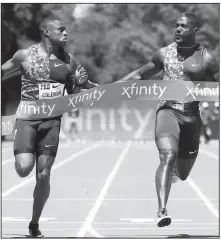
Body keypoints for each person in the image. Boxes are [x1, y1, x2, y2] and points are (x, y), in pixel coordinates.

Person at [120, 13, 219, 227]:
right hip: (167, 111)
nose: (178, 29)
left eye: (183, 26)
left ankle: (175, 170)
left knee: (183, 174)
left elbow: (216, 85)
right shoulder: (164, 54)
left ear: (195, 30)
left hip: (191, 117)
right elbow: (139, 75)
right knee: (167, 155)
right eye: (177, 25)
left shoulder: (207, 59)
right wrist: (105, 90)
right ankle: (161, 210)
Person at [1, 17, 93, 237]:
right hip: (27, 119)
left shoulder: (69, 61)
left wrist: (78, 84)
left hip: (51, 122)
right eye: (60, 30)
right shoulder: (24, 55)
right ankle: (25, 154)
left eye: (65, 31)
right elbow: (3, 71)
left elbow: (73, 96)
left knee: (43, 175)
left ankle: (34, 223)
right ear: (46, 32)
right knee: (24, 169)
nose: (65, 34)